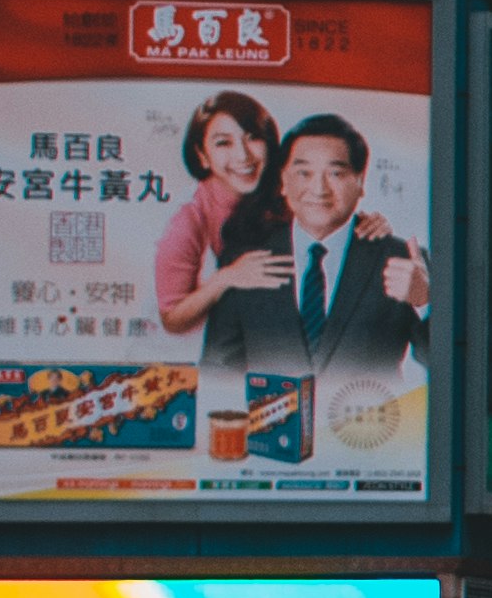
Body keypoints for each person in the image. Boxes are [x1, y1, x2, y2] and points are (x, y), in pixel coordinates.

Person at [206, 110, 433, 389]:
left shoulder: (403, 261)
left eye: (335, 173)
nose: (319, 188)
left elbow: (444, 365)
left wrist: (425, 302)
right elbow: (217, 370)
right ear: (283, 181)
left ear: (360, 181)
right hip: (269, 427)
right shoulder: (244, 263)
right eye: (304, 172)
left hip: (366, 428)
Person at [150, 86, 291, 334]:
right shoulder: (188, 221)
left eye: (253, 137)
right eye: (223, 143)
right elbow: (172, 319)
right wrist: (226, 278)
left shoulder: (286, 191)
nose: (243, 155)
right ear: (202, 155)